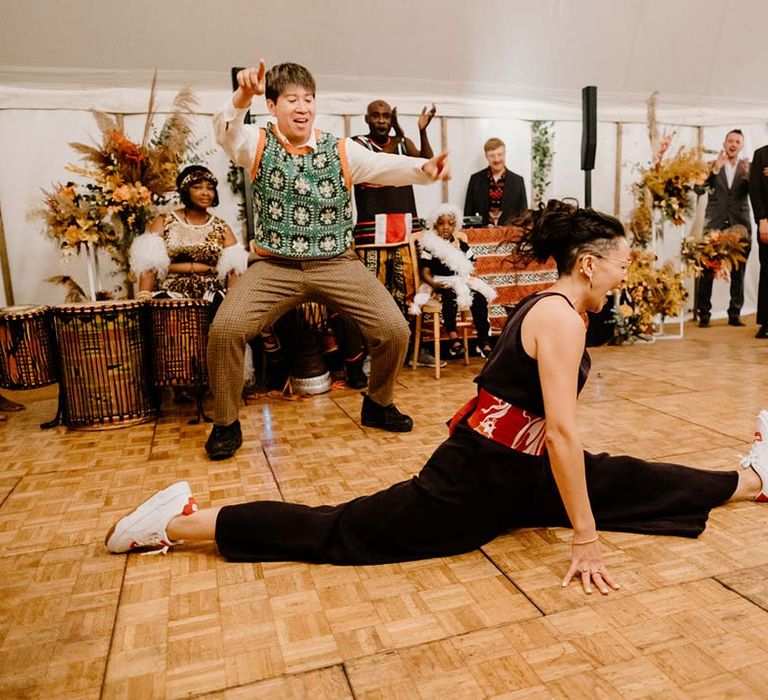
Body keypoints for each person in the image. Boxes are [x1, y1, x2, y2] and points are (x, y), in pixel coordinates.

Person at [106, 200, 768, 596]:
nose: (628, 273)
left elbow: (554, 441)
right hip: (472, 480)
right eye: (623, 260)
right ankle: (174, 524)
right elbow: (562, 434)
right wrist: (584, 544)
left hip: (518, 468)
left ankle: (751, 476)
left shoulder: (560, 308)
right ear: (589, 263)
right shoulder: (561, 317)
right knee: (343, 532)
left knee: (621, 477)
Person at [206, 61, 450, 460]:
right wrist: (241, 96)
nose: (302, 107)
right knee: (226, 329)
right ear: (272, 106)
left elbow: (384, 167)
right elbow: (225, 131)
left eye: (308, 99)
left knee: (394, 330)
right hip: (274, 267)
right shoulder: (256, 142)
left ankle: (378, 403)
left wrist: (423, 169)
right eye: (291, 100)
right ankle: (225, 422)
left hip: (336, 264)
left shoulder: (339, 148)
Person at [352, 100, 437, 316]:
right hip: (372, 236)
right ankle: (375, 346)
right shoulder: (357, 144)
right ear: (366, 119)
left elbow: (428, 165)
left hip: (404, 231)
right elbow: (379, 162)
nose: (381, 121)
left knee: (407, 293)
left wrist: (422, 131)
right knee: (372, 294)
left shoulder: (403, 143)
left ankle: (407, 346)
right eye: (376, 116)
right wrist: (399, 136)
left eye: (386, 116)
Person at [130, 165, 248, 304]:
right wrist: (144, 299)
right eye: (197, 187)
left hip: (211, 296)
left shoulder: (221, 227)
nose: (205, 192)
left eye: (210, 188)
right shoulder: (164, 221)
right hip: (171, 294)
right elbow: (150, 267)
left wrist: (232, 304)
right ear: (185, 191)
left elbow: (234, 271)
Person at [410, 203, 496, 359]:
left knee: (480, 299)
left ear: (455, 226)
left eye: (450, 224)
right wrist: (434, 285)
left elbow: (471, 263)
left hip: (460, 282)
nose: (445, 227)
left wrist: (464, 277)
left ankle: (483, 341)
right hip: (440, 282)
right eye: (441, 223)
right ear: (435, 225)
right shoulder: (430, 247)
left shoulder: (461, 245)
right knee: (450, 297)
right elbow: (425, 272)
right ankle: (453, 338)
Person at [697, 130, 751, 328]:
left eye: (737, 141)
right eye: (730, 140)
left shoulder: (748, 167)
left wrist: (747, 176)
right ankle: (704, 314)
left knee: (739, 270)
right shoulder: (712, 165)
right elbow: (698, 189)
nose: (733, 144)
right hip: (714, 225)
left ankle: (734, 313)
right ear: (724, 143)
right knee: (707, 269)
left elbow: (757, 192)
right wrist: (715, 171)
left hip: (740, 225)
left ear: (742, 146)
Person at [464, 138, 527, 227]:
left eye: (499, 154)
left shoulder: (518, 181)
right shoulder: (475, 180)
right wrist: (484, 227)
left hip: (509, 236)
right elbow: (468, 216)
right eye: (492, 155)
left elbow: (523, 217)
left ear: (505, 154)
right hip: (481, 237)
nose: (496, 159)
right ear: (486, 156)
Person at [749, 142, 768, 338]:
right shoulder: (761, 155)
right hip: (767, 223)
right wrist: (762, 219)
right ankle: (766, 322)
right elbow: (755, 190)